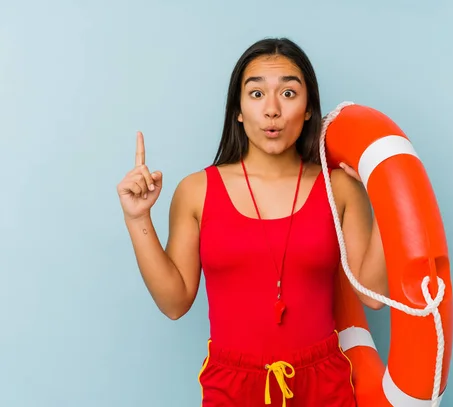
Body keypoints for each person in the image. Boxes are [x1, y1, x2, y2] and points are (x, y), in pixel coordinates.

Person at [116, 37, 389, 407]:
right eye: (257, 94)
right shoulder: (197, 190)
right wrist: (138, 218)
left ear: (309, 108)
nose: (272, 110)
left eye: (289, 93)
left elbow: (372, 296)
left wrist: (389, 193)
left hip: (323, 383)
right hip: (232, 385)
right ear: (239, 110)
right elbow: (175, 303)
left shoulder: (339, 186)